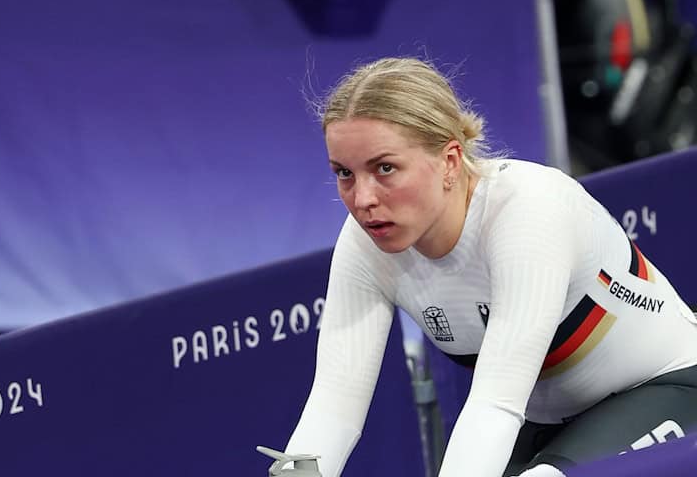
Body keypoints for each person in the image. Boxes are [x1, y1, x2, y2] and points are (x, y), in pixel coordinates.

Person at [278, 57, 697, 477]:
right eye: (344, 173)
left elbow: (495, 403)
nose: (363, 199)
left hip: (670, 385)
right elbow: (333, 410)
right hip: (547, 423)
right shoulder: (363, 243)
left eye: (385, 168)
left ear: (450, 161)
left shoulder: (529, 211)